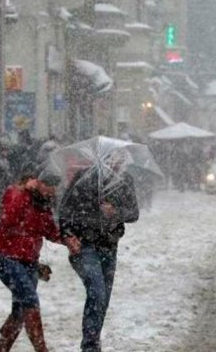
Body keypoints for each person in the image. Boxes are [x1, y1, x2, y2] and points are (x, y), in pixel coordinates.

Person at [59, 150, 139, 352]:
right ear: (102, 159)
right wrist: (68, 235)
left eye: (120, 159)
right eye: (113, 158)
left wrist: (115, 212)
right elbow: (65, 210)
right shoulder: (84, 178)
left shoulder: (124, 181)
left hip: (110, 246)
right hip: (86, 245)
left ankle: (93, 339)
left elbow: (134, 213)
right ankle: (90, 345)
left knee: (104, 298)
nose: (117, 163)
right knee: (97, 292)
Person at [0, 169, 79, 352]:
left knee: (20, 310)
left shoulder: (43, 205)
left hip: (29, 262)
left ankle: (1, 350)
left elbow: (50, 231)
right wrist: (23, 192)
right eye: (48, 186)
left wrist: (67, 240)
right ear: (37, 182)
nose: (51, 191)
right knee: (30, 301)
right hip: (7, 258)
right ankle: (42, 349)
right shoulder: (15, 193)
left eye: (54, 188)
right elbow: (8, 218)